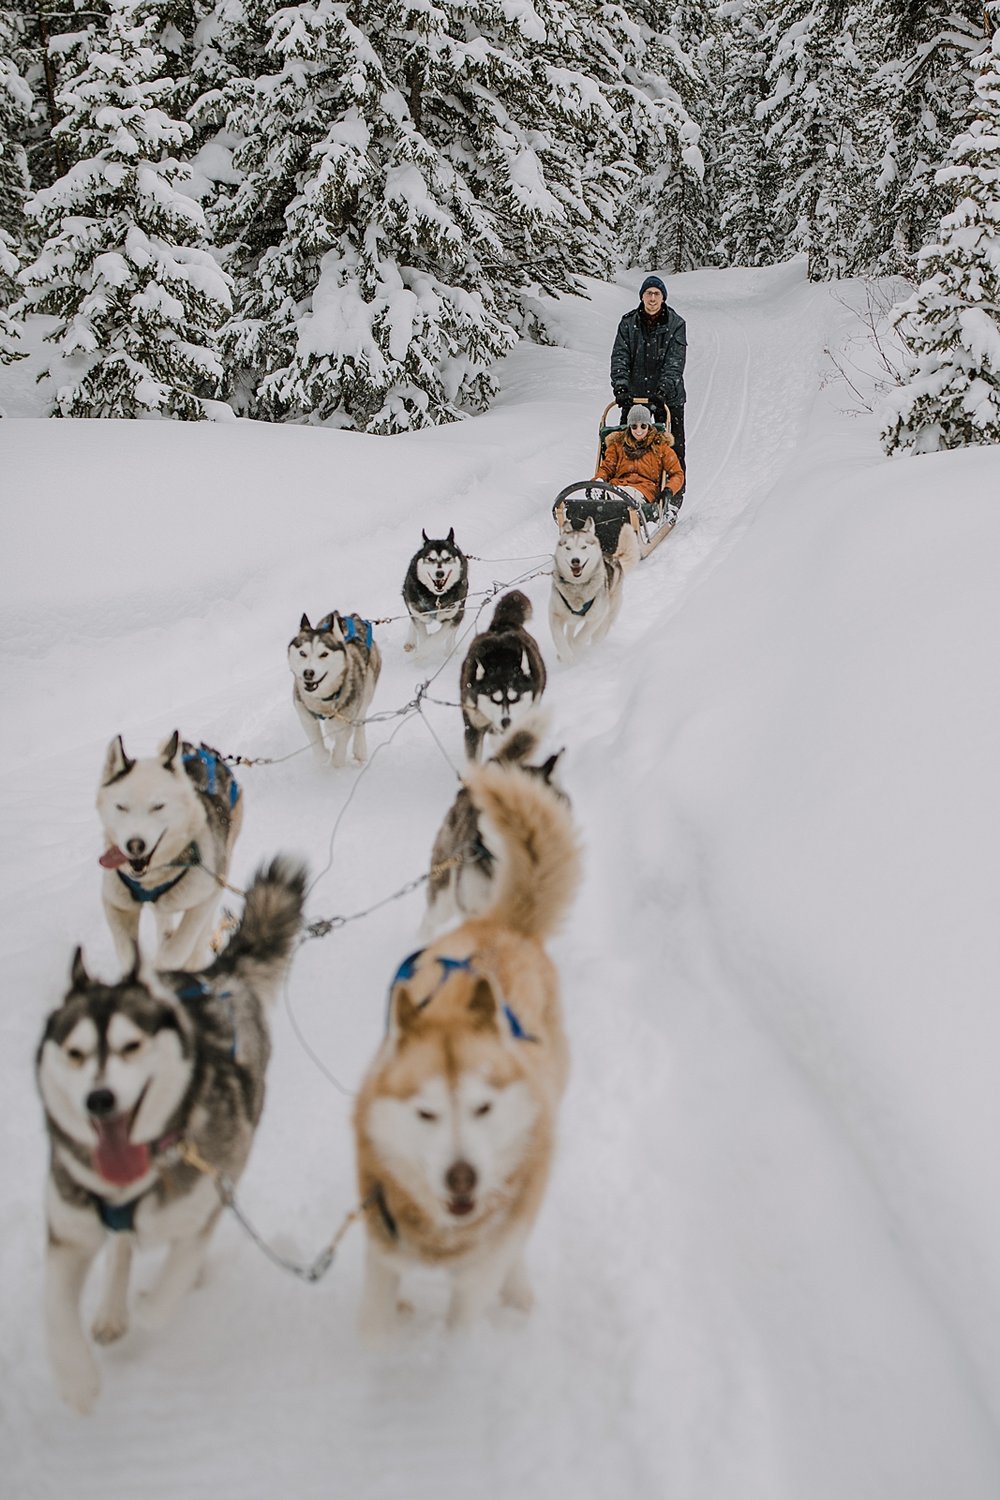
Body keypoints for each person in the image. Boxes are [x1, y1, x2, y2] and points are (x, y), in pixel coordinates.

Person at [610, 274, 687, 476]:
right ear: (642, 297)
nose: (652, 298)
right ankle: (622, 486)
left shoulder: (676, 324)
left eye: (656, 294)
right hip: (635, 395)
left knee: (672, 447)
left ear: (663, 298)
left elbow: (675, 362)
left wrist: (663, 390)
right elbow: (620, 356)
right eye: (648, 293)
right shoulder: (628, 323)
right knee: (625, 444)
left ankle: (673, 496)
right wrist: (621, 386)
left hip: (669, 397)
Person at [595, 405, 685, 518]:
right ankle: (603, 501)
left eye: (643, 426)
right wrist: (598, 480)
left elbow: (677, 474)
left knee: (625, 496)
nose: (639, 431)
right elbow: (606, 468)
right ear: (629, 427)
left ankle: (608, 500)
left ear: (649, 426)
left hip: (645, 490)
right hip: (618, 485)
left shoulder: (660, 447)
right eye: (634, 426)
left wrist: (668, 490)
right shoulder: (617, 446)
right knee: (615, 493)